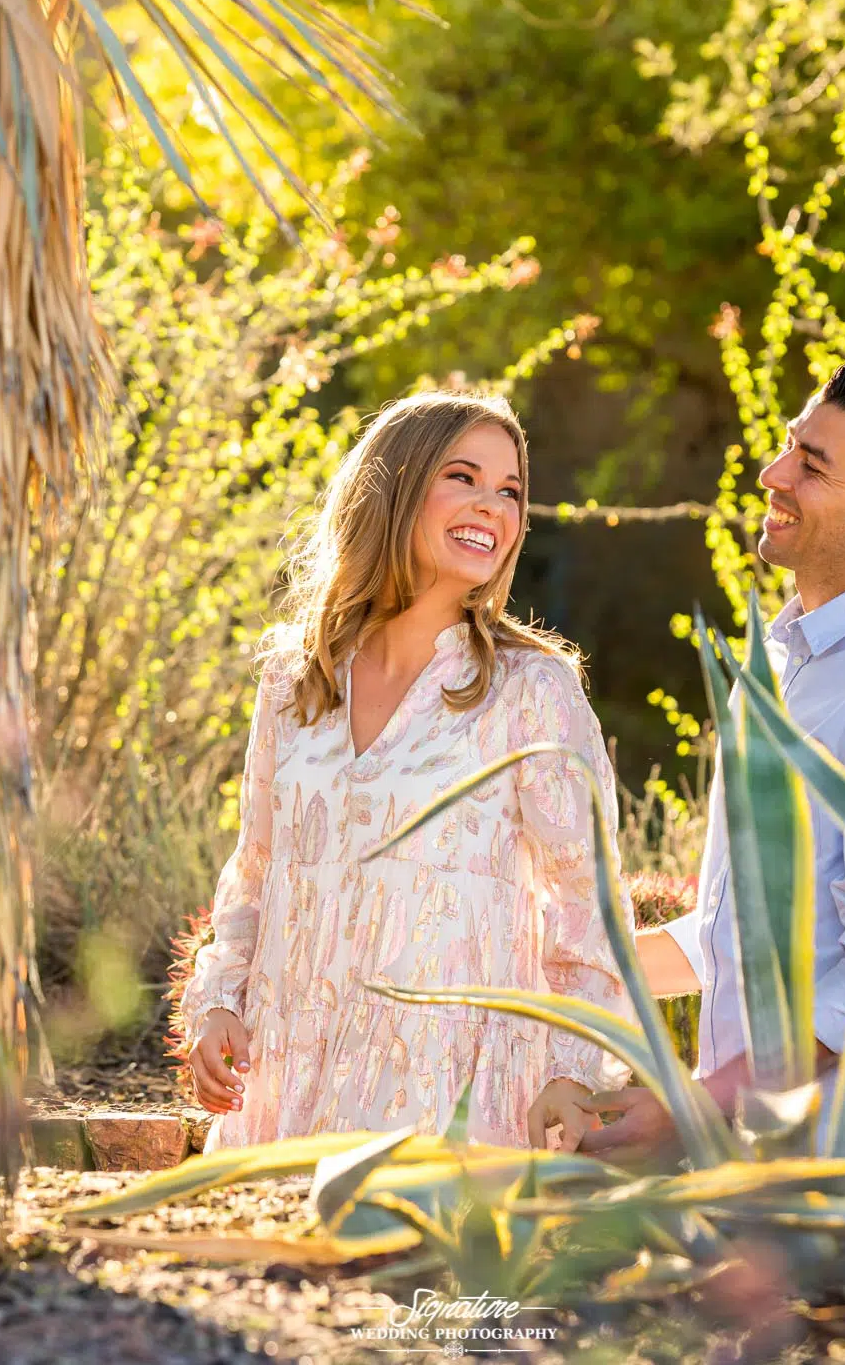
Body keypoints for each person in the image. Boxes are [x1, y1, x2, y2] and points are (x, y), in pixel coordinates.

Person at [582, 351, 845, 1166]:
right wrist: (553, 970)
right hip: (761, 1172)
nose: (771, 474)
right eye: (789, 445)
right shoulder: (785, 666)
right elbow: (733, 942)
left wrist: (692, 1108)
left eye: (811, 466)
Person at [177, 391, 635, 1155]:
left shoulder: (531, 690)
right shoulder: (296, 681)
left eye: (511, 490)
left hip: (452, 1095)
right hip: (289, 1084)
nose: (492, 505)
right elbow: (254, 874)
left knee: (419, 1278)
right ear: (394, 487)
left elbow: (587, 903)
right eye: (463, 477)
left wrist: (573, 1067)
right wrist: (219, 1002)